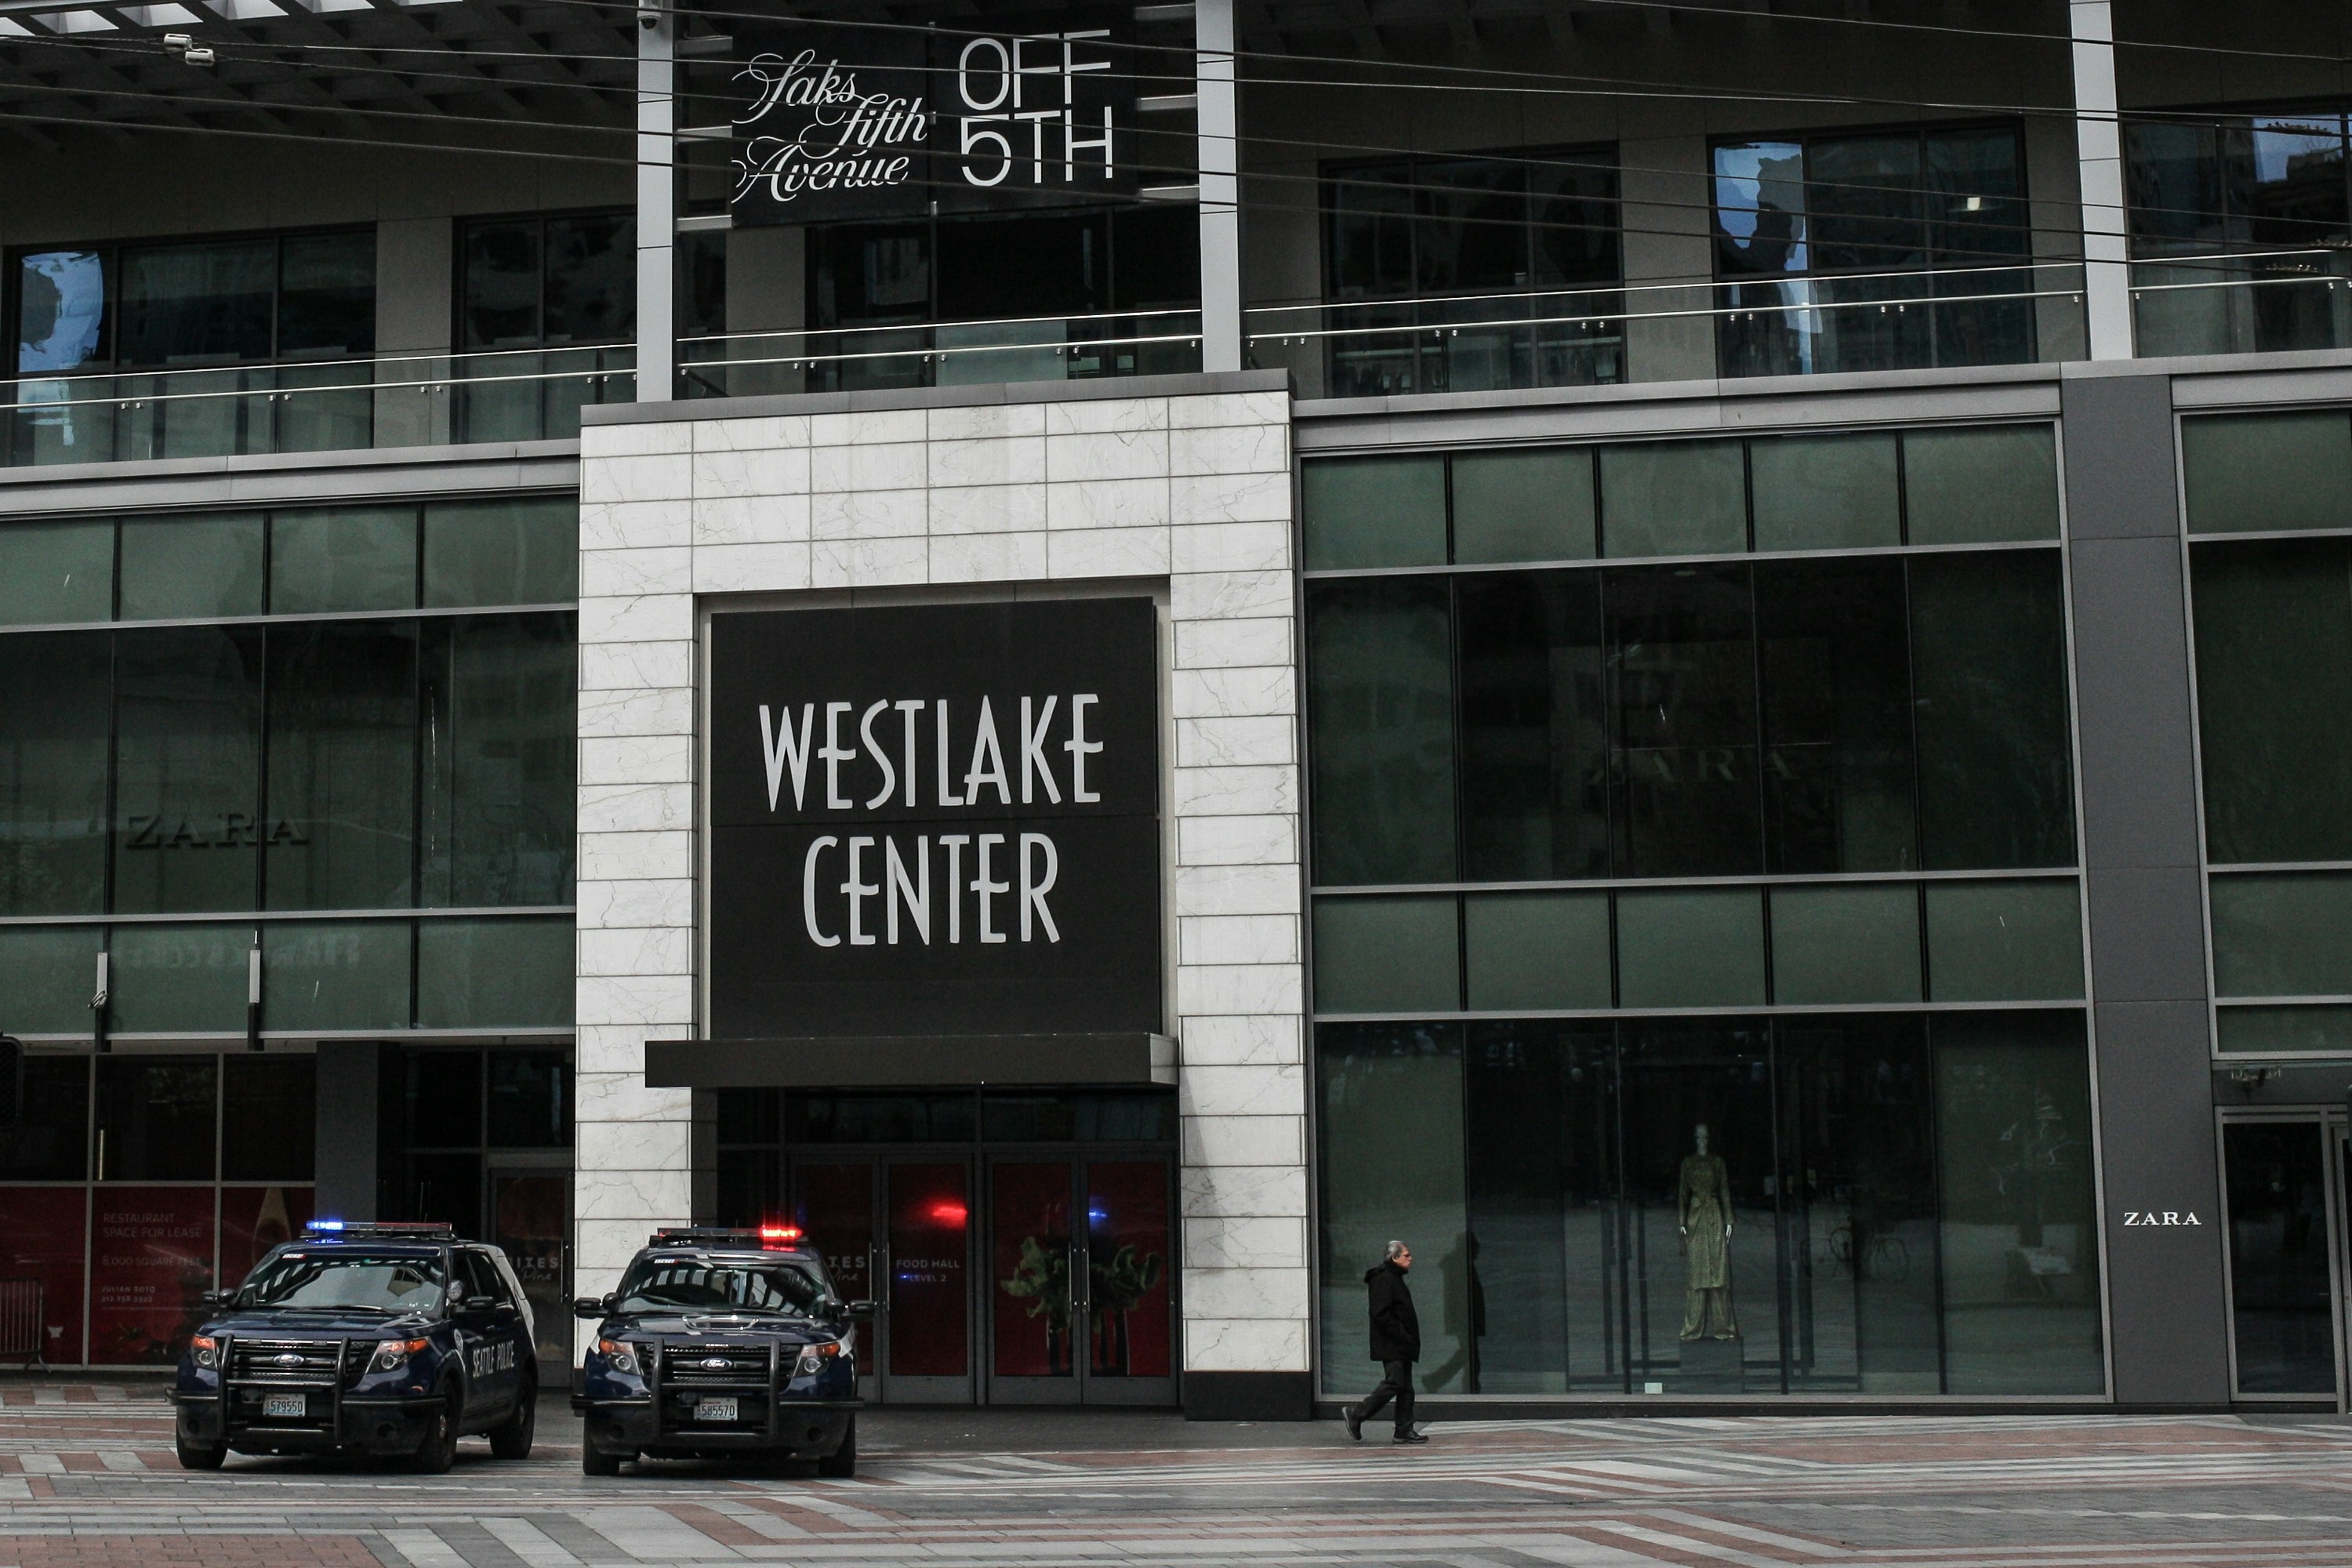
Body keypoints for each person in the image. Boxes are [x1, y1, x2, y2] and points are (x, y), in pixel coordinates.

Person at [1344, 1240, 1427, 1444]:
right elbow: (1380, 1313)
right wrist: (1401, 1335)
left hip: (1400, 1342)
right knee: (1395, 1382)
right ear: (1395, 1258)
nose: (1410, 1259)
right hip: (1392, 1343)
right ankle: (1357, 1413)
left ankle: (1404, 1429)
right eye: (1406, 1255)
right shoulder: (1384, 1278)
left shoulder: (1394, 1277)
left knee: (1405, 1387)